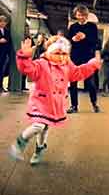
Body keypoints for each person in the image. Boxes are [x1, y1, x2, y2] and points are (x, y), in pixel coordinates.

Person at [8, 36, 101, 165]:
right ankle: (20, 142)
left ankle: (39, 149)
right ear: (49, 51)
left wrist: (92, 65)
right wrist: (24, 56)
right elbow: (27, 69)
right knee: (39, 125)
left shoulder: (67, 64)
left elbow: (77, 74)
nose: (61, 57)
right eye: (57, 53)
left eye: (64, 53)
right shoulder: (41, 63)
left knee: (45, 127)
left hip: (55, 103)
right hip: (41, 101)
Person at [67, 4, 101, 113]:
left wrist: (85, 37)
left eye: (83, 15)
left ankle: (94, 103)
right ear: (76, 15)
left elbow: (95, 42)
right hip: (75, 57)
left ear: (86, 16)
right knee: (73, 82)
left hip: (88, 58)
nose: (81, 17)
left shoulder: (92, 27)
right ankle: (74, 106)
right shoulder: (73, 27)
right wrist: (73, 39)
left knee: (90, 82)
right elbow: (68, 41)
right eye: (78, 15)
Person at [0, 15, 12, 92]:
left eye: (4, 22)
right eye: (2, 21)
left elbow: (9, 41)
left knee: (2, 70)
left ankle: (0, 86)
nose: (3, 23)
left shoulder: (7, 31)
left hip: (4, 54)